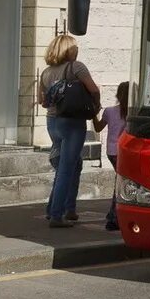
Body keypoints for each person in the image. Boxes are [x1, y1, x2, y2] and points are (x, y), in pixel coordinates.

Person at [38, 34, 101, 228]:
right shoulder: (77, 67)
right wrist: (96, 106)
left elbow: (42, 102)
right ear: (70, 50)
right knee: (66, 168)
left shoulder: (46, 72)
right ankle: (57, 215)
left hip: (52, 121)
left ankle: (66, 209)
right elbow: (94, 89)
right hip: (72, 121)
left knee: (73, 165)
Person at [93, 82, 128, 232]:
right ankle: (114, 218)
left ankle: (112, 215)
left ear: (117, 95)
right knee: (120, 185)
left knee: (119, 182)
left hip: (111, 152)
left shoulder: (109, 111)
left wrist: (94, 114)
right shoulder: (132, 113)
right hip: (124, 152)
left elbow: (98, 127)